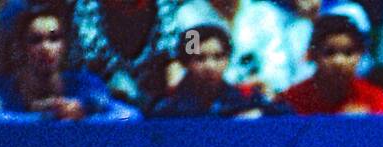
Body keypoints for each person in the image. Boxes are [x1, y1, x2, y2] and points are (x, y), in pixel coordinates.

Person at [0, 2, 140, 120]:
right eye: (36, 40)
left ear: (64, 45)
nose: (46, 48)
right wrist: (41, 116)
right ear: (21, 47)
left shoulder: (87, 86)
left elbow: (130, 116)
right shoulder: (2, 90)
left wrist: (84, 114)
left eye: (54, 38)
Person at [148, 23, 289, 116]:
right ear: (185, 62)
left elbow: (285, 117)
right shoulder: (168, 107)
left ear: (228, 59)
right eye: (200, 58)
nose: (210, 66)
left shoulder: (245, 99)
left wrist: (260, 113)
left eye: (218, 57)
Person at [70, 0, 184, 110]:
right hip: (104, 104)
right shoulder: (84, 8)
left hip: (161, 100)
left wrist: (177, 64)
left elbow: (181, 49)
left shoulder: (175, 9)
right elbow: (87, 64)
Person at [174, 0, 298, 96]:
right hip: (207, 104)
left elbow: (279, 70)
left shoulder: (264, 14)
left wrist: (260, 83)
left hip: (257, 100)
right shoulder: (189, 17)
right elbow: (189, 63)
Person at [279, 12, 383, 113]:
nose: (339, 62)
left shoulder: (376, 99)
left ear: (360, 55)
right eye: (329, 53)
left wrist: (366, 123)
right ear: (312, 54)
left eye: (348, 53)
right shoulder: (291, 100)